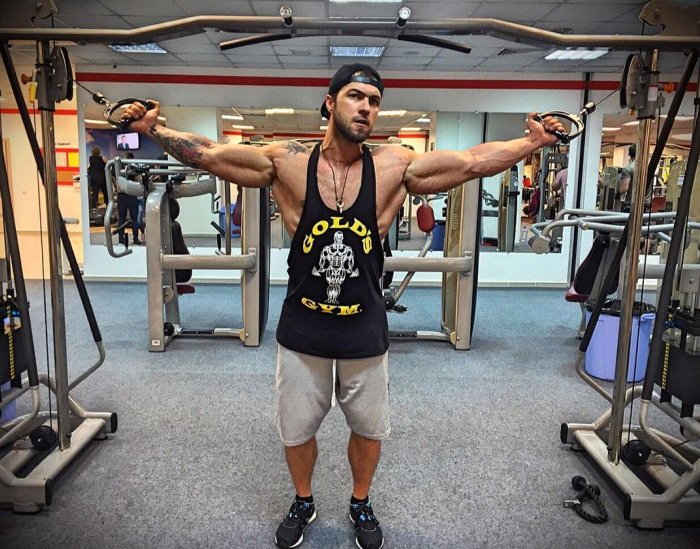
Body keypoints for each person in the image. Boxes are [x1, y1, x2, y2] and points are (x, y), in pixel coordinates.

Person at [121, 63, 563, 549]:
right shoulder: (287, 162)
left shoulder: (395, 166)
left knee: (369, 430)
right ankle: (303, 499)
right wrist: (154, 130)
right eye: (356, 96)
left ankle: (360, 501)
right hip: (302, 327)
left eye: (374, 101)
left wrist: (534, 143)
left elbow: (474, 161)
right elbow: (209, 154)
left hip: (364, 327)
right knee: (296, 431)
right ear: (331, 102)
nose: (366, 108)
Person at [117, 152, 141, 245]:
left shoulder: (119, 166)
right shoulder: (133, 166)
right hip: (131, 193)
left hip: (122, 194)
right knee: (134, 219)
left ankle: (121, 240)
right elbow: (137, 179)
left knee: (121, 218)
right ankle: (135, 239)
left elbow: (114, 178)